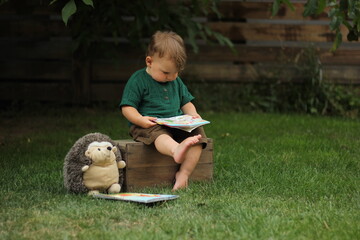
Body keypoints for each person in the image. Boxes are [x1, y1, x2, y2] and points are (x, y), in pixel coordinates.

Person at [119, 30, 208, 191]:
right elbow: (127, 108)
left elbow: (186, 102)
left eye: (176, 72)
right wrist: (140, 120)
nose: (172, 77)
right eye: (166, 72)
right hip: (149, 125)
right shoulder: (138, 80)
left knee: (198, 135)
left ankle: (184, 173)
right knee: (159, 135)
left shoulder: (176, 81)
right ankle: (176, 150)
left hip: (175, 123)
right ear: (149, 62)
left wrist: (193, 116)